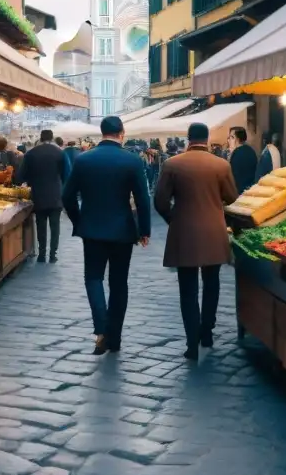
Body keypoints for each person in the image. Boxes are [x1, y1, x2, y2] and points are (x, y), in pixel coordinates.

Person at [63, 116, 151, 355]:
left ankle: (101, 328)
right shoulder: (132, 161)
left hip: (92, 230)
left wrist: (79, 220)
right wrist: (144, 230)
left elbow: (67, 197)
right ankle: (115, 339)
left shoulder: (83, 160)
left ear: (101, 133)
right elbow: (143, 200)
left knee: (93, 278)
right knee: (119, 284)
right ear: (121, 133)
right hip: (123, 231)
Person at [154, 122, 238, 361]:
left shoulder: (172, 164)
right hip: (214, 231)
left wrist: (174, 219)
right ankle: (207, 332)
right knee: (212, 283)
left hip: (184, 233)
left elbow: (160, 201)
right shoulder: (221, 164)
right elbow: (232, 197)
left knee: (187, 289)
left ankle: (191, 341)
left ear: (188, 139)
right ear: (207, 138)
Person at [17, 130, 71, 263]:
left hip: (38, 194)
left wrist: (30, 180)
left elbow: (21, 176)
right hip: (56, 195)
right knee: (55, 226)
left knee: (41, 225)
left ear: (40, 138)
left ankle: (42, 254)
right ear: (52, 138)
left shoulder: (31, 153)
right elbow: (67, 175)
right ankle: (53, 254)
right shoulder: (60, 153)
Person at [227, 127, 258, 194]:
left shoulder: (237, 153)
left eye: (231, 137)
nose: (228, 140)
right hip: (250, 190)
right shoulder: (250, 150)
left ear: (237, 139)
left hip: (240, 193)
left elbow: (233, 179)